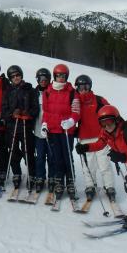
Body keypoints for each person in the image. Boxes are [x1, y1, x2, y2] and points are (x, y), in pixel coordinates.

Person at [75, 105, 127, 228]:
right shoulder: (106, 131)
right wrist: (86, 147)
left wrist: (123, 157)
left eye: (109, 122)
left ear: (117, 120)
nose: (107, 126)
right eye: (103, 123)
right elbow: (100, 144)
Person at [74, 74, 117, 202]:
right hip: (85, 139)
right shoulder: (76, 102)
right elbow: (71, 117)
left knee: (104, 164)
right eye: (80, 87)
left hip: (101, 138)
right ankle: (90, 186)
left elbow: (109, 113)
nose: (83, 90)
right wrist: (73, 130)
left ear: (90, 86)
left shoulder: (99, 100)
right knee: (88, 166)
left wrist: (111, 129)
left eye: (85, 87)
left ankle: (109, 187)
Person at [42, 64, 80, 200]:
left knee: (67, 157)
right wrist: (44, 124)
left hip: (66, 131)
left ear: (67, 76)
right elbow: (46, 111)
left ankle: (70, 182)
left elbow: (76, 112)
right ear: (54, 76)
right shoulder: (47, 91)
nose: (61, 78)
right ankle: (59, 182)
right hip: (53, 131)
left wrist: (71, 121)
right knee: (56, 158)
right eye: (58, 75)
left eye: (63, 75)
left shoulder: (72, 92)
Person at [1, 65, 39, 189]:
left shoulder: (30, 89)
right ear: (10, 78)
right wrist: (12, 114)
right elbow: (4, 109)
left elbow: (35, 109)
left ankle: (32, 175)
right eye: (12, 76)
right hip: (12, 127)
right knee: (13, 152)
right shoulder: (8, 91)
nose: (15, 78)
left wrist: (28, 113)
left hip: (26, 126)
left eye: (17, 75)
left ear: (21, 75)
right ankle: (16, 173)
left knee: (28, 151)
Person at [33, 68, 55, 193]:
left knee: (51, 157)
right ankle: (40, 178)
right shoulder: (34, 93)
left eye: (45, 79)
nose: (43, 81)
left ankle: (52, 178)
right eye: (40, 79)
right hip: (37, 130)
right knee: (40, 157)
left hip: (51, 131)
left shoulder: (53, 92)